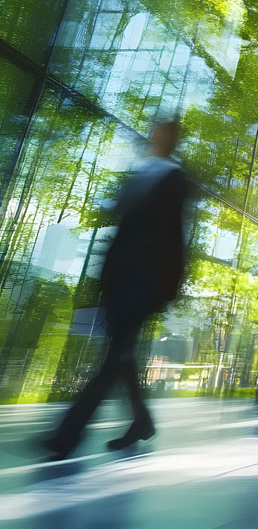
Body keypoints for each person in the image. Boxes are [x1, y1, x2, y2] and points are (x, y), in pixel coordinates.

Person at [43, 120, 190, 460]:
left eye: (162, 132)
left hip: (145, 281)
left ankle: (68, 434)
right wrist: (104, 276)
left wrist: (168, 287)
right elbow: (122, 229)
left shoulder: (174, 179)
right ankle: (141, 421)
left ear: (171, 139)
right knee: (120, 354)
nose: (155, 136)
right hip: (120, 279)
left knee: (114, 356)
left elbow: (175, 236)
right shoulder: (140, 174)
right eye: (154, 131)